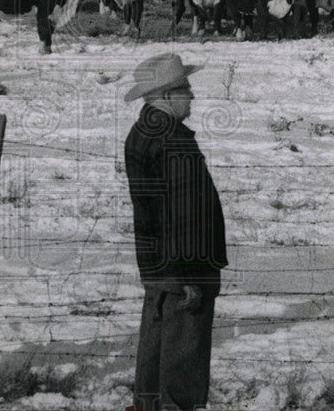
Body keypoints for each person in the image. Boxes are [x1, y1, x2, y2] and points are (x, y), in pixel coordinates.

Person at [123, 53, 229, 411]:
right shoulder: (174, 141)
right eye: (186, 88)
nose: (193, 96)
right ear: (166, 95)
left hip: (157, 266)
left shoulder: (141, 132)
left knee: (153, 368)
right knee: (182, 372)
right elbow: (185, 214)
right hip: (184, 271)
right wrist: (190, 278)